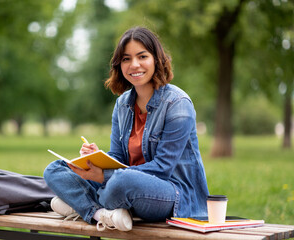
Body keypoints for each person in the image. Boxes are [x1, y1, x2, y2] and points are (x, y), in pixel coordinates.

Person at [44, 26, 209, 232]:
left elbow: (162, 168)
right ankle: (99, 213)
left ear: (156, 59)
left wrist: (103, 176)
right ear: (119, 65)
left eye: (142, 56)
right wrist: (97, 158)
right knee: (55, 169)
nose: (135, 65)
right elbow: (118, 157)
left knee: (121, 181)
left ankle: (80, 203)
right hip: (123, 185)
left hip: (172, 195)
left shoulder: (178, 104)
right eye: (126, 59)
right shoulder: (122, 104)